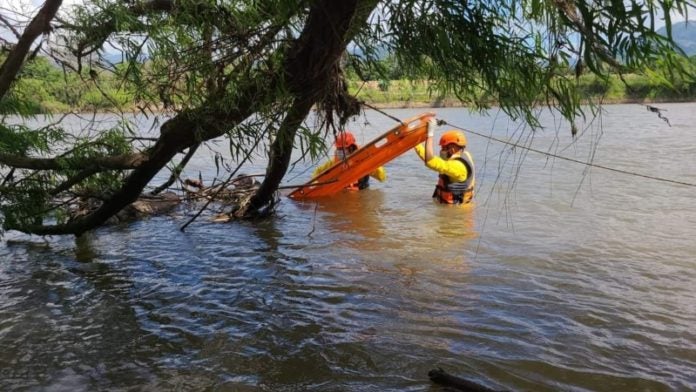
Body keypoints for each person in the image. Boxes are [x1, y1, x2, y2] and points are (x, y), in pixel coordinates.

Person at [414, 121, 475, 204]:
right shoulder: (464, 155)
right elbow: (429, 158)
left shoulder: (457, 166)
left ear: (452, 149)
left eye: (443, 148)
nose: (441, 151)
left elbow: (430, 161)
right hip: (456, 207)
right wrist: (415, 143)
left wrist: (430, 134)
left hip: (454, 213)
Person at [313, 131, 386, 191]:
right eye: (338, 149)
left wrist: (369, 168)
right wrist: (315, 184)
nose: (339, 152)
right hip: (343, 194)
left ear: (351, 148)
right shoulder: (334, 162)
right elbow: (317, 173)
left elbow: (382, 177)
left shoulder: (364, 159)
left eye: (342, 149)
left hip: (361, 193)